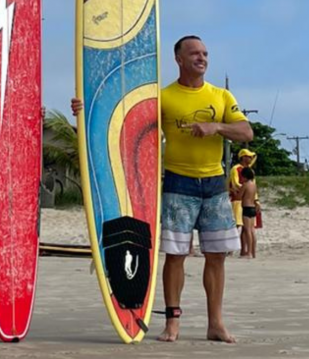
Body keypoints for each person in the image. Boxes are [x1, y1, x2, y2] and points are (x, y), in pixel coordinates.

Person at [72, 35, 252, 343]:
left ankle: (216, 323)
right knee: (176, 255)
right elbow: (124, 121)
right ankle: (172, 322)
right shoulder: (163, 97)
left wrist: (217, 127)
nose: (202, 58)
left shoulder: (221, 95)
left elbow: (246, 132)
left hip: (214, 184)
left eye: (205, 53)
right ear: (178, 59)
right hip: (178, 184)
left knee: (217, 256)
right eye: (194, 53)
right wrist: (84, 108)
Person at [228, 149, 256, 256]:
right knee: (237, 225)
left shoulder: (250, 171)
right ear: (242, 157)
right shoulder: (236, 168)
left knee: (246, 228)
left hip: (245, 202)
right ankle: (233, 249)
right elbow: (235, 182)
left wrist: (255, 199)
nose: (250, 159)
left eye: (251, 157)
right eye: (248, 156)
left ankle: (246, 251)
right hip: (238, 201)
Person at [239, 167, 258, 259]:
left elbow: (239, 196)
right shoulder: (254, 185)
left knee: (247, 231)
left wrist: (234, 190)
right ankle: (253, 252)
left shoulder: (245, 185)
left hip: (246, 208)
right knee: (252, 230)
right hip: (253, 207)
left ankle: (249, 252)